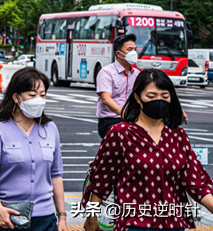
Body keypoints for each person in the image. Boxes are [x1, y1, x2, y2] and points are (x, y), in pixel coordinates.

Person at [83, 69, 213, 231]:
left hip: (174, 224)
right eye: (151, 97)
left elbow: (196, 183)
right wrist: (91, 216)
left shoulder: (178, 136)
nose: (159, 101)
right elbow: (102, 180)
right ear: (137, 98)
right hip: (134, 225)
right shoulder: (121, 134)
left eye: (165, 96)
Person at [0, 67, 66, 231]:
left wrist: (62, 216)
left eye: (43, 95)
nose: (39, 100)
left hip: (45, 219)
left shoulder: (50, 128)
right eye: (32, 95)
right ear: (16, 97)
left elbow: (56, 175)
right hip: (6, 217)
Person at [95, 34, 140, 138]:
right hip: (111, 120)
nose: (134, 53)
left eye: (135, 49)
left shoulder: (137, 74)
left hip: (132, 119)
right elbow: (106, 99)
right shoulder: (107, 72)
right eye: (129, 49)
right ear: (118, 54)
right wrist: (124, 114)